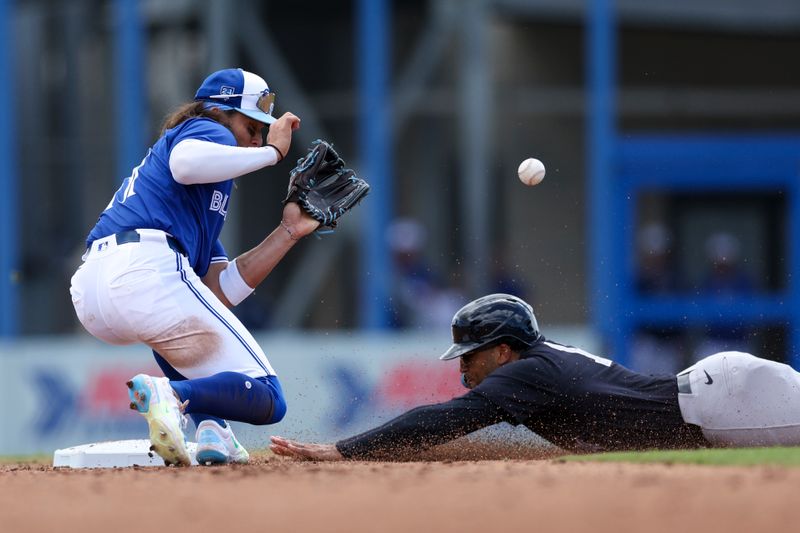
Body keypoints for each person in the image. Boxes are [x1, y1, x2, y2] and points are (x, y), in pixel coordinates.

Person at [69, 68, 321, 466]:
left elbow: (219, 292)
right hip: (145, 267)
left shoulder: (195, 203)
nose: (256, 137)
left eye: (262, 131)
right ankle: (173, 395)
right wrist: (271, 154)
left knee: (191, 328)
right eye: (252, 126)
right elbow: (187, 164)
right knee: (269, 396)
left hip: (98, 291)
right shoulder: (208, 127)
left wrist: (287, 232)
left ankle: (212, 431)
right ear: (222, 111)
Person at [270, 293, 800, 461]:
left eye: (470, 354)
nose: (462, 365)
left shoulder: (527, 374)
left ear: (503, 352)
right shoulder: (537, 365)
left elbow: (442, 420)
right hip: (714, 396)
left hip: (726, 404)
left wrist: (342, 451)